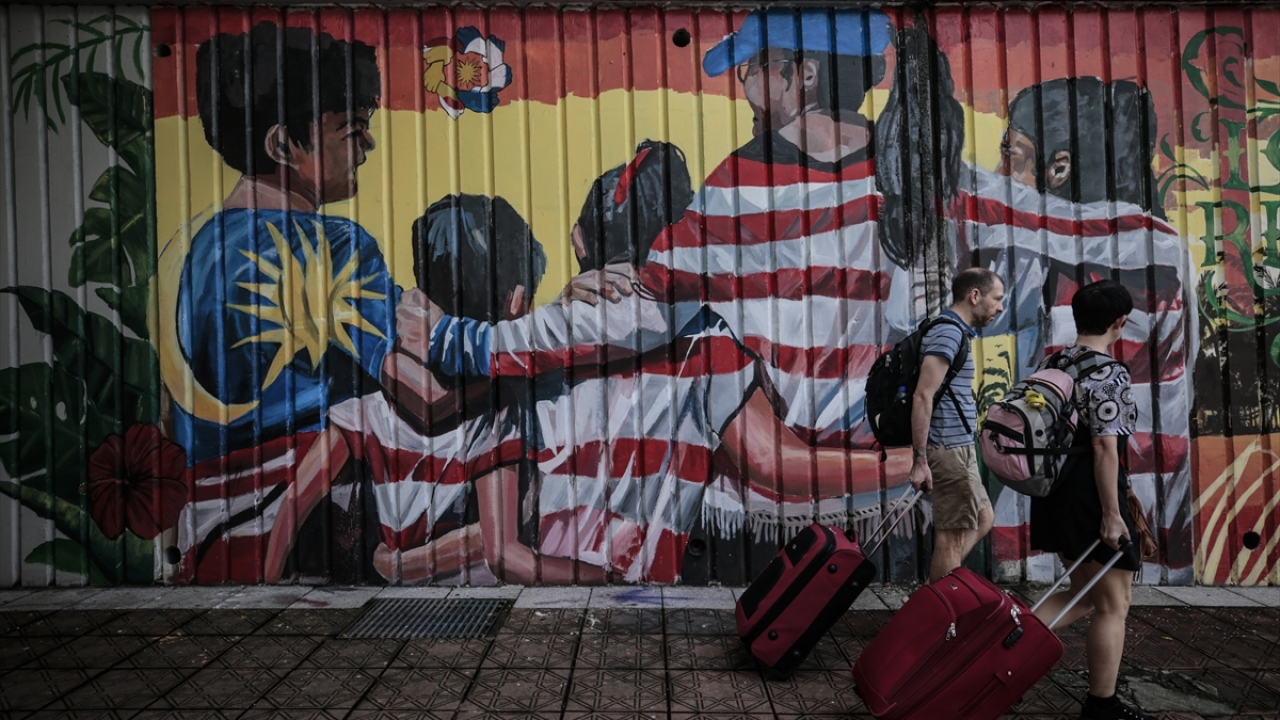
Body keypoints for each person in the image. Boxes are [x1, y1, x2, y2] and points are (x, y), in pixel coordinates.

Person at [394, 10, 948, 547]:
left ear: (799, 74)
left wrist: (461, 340)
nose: (742, 84)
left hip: (773, 525)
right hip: (901, 504)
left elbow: (637, 313)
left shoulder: (740, 186)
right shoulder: (928, 180)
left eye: (750, 67)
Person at [163, 22, 395, 582]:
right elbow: (404, 371)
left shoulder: (187, 249)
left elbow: (172, 407)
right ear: (282, 144)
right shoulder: (339, 246)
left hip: (207, 517)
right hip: (311, 520)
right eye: (351, 128)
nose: (367, 145)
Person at [957, 77, 1192, 579]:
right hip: (1156, 495)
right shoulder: (1168, 250)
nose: (1004, 168)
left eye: (1012, 152)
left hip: (1078, 486)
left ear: (1058, 166)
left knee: (1080, 595)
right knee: (1111, 601)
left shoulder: (1046, 246)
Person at [1029, 280, 1153, 720]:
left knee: (1086, 593)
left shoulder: (1053, 362)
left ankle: (1005, 640)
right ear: (1119, 323)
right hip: (1090, 496)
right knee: (1113, 604)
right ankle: (1102, 707)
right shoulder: (1109, 372)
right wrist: (1113, 516)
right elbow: (1105, 448)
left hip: (1053, 493)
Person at [908, 268, 1005, 583]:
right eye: (997, 299)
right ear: (975, 295)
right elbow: (923, 395)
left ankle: (933, 597)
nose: (1000, 307)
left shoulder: (955, 332)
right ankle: (937, 616)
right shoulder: (949, 332)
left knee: (983, 518)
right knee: (950, 539)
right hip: (947, 450)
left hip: (959, 447)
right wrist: (921, 459)